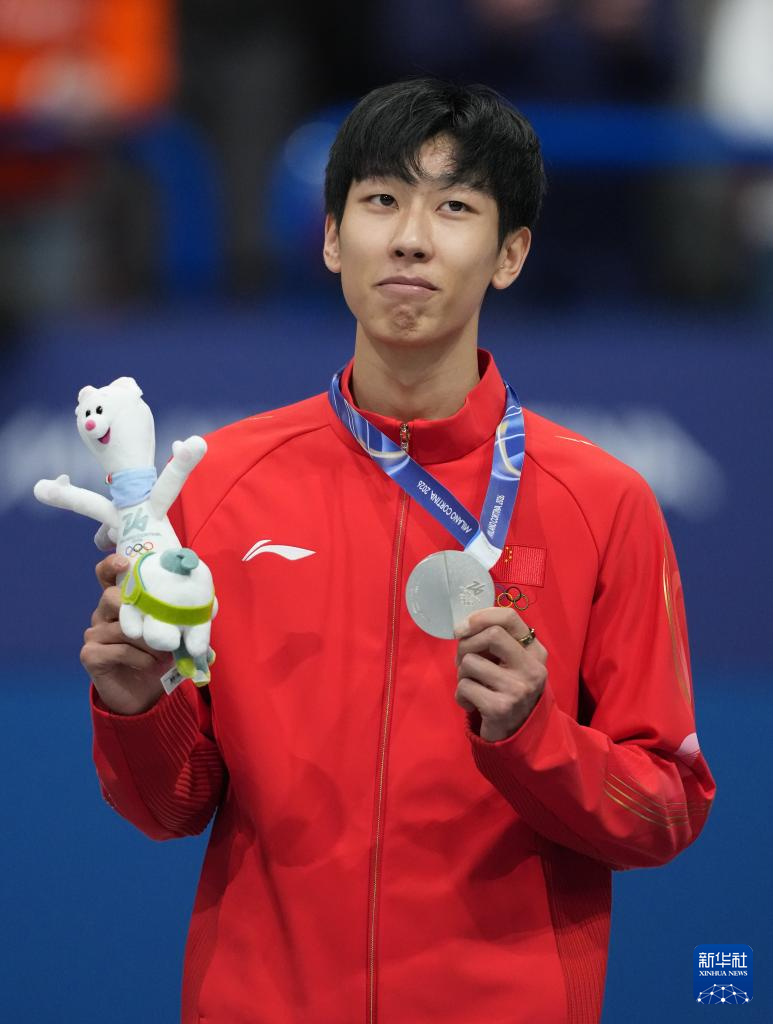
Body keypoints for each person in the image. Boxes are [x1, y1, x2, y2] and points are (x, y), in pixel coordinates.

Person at [82, 78, 716, 1024]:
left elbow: (666, 808)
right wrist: (136, 708)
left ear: (510, 254)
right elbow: (171, 807)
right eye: (381, 200)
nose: (411, 238)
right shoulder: (223, 482)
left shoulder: (602, 502)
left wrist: (533, 738)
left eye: (454, 207)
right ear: (332, 238)